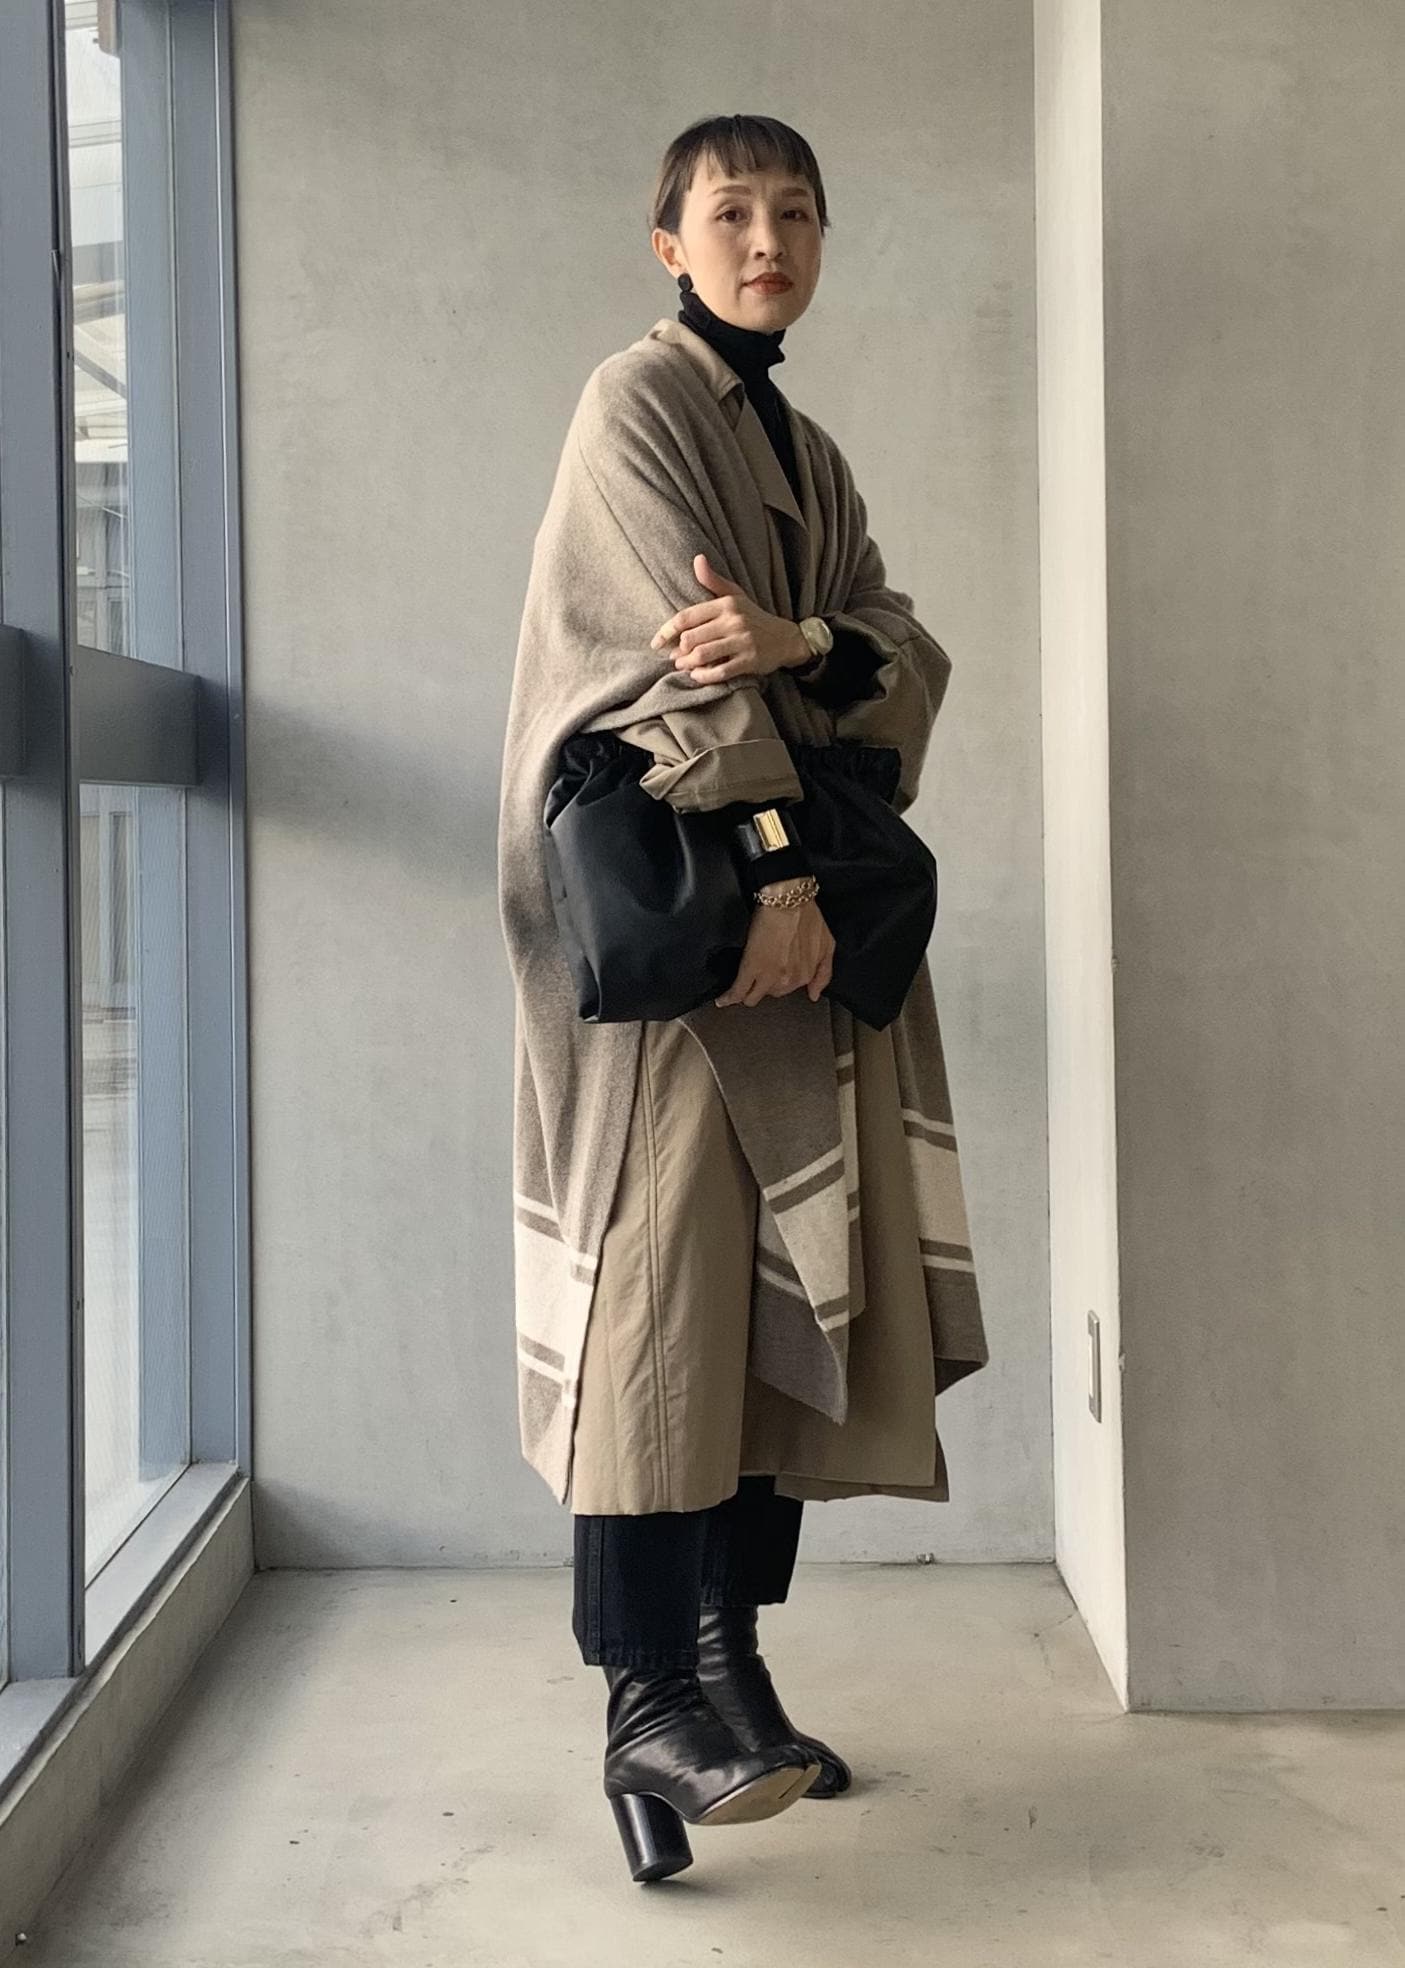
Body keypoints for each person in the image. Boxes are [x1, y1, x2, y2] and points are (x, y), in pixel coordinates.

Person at [496, 113, 990, 1885]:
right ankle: (643, 1697)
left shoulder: (805, 448)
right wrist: (781, 874)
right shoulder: (637, 405)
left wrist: (802, 643)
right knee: (659, 1300)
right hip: (684, 936)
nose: (764, 238)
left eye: (794, 212)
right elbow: (655, 667)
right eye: (728, 211)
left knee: (777, 1294)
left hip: (792, 938)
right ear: (667, 242)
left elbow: (895, 650)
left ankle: (727, 1669)